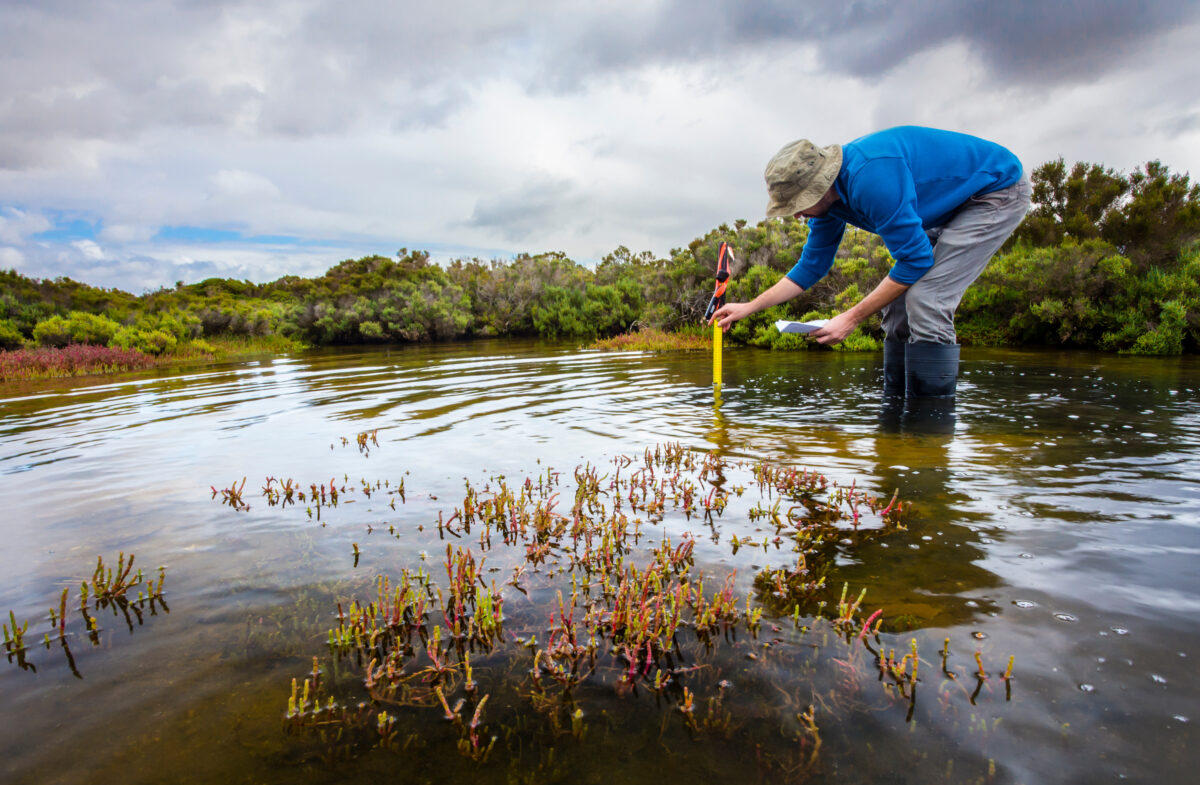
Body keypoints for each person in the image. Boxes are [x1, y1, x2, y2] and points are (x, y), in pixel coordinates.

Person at [710, 126, 1031, 398]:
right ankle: (895, 418)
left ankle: (928, 432)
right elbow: (812, 265)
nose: (797, 213)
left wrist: (850, 318)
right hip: (946, 206)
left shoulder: (872, 179)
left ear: (822, 186)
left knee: (926, 298)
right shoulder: (829, 205)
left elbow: (915, 261)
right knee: (898, 304)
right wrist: (749, 307)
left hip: (993, 192)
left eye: (801, 203)